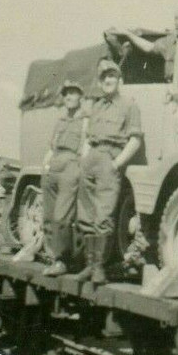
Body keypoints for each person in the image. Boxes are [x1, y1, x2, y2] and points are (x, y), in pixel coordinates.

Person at [75, 59, 143, 284]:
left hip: (109, 159)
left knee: (104, 215)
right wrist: (84, 158)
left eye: (111, 76)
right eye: (104, 77)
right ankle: (89, 265)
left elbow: (135, 140)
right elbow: (87, 136)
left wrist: (116, 163)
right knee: (86, 215)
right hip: (91, 159)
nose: (107, 80)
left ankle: (99, 268)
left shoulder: (129, 105)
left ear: (119, 79)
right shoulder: (96, 105)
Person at [39, 80, 87, 277]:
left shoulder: (85, 120)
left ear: (80, 97)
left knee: (62, 216)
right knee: (49, 217)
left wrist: (79, 169)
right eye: (66, 93)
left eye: (73, 93)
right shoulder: (60, 121)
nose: (68, 97)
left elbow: (86, 147)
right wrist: (45, 166)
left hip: (71, 166)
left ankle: (63, 260)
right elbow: (52, 147)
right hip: (54, 166)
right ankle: (54, 257)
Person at [104, 5, 178, 82]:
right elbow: (149, 47)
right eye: (176, 18)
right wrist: (128, 34)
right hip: (169, 87)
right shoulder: (169, 41)